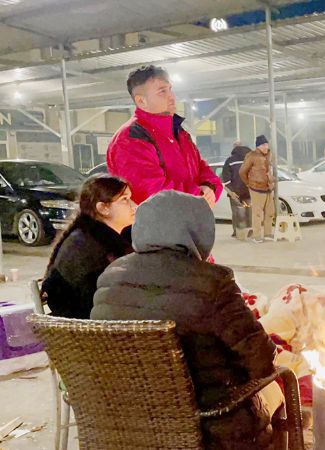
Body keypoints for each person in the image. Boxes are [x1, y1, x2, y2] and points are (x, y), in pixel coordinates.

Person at [91, 190, 278, 450]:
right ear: (198, 230)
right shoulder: (214, 282)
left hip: (129, 426)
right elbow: (261, 362)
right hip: (210, 427)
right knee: (275, 393)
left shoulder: (110, 276)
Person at [106, 65, 222, 207]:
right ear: (141, 101)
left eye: (170, 89)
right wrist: (198, 197)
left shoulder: (179, 132)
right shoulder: (131, 138)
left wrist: (209, 188)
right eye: (162, 92)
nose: (172, 97)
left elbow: (202, 168)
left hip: (191, 222)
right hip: (154, 227)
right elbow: (151, 191)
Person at [41, 175, 135, 319]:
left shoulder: (90, 234)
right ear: (103, 208)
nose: (133, 205)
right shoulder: (90, 245)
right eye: (124, 200)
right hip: (89, 329)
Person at [240, 135, 276, 243]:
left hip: (268, 188)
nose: (266, 147)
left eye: (267, 144)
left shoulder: (269, 155)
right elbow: (242, 172)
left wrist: (272, 180)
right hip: (256, 188)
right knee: (257, 213)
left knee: (270, 212)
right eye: (264, 145)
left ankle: (268, 233)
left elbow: (269, 170)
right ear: (258, 146)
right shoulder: (251, 156)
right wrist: (249, 183)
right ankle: (256, 235)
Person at [221, 144, 253, 239]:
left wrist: (231, 191)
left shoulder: (230, 160)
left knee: (237, 212)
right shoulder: (250, 159)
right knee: (249, 211)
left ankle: (237, 231)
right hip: (249, 191)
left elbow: (226, 177)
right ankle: (250, 230)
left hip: (235, 192)